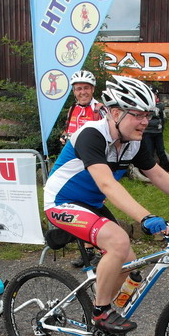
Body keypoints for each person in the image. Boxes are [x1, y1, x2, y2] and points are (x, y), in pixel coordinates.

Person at [44, 75, 169, 333]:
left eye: (148, 115)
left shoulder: (133, 142)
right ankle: (100, 312)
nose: (145, 121)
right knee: (118, 241)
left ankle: (97, 309)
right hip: (61, 202)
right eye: (138, 115)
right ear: (115, 113)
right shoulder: (91, 135)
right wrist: (145, 217)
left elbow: (157, 175)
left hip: (91, 204)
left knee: (128, 262)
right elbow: (107, 184)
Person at [59, 70, 107, 268]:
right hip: (74, 169)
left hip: (94, 166)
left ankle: (103, 250)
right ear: (73, 91)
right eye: (78, 89)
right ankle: (87, 253)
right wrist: (64, 138)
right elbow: (69, 131)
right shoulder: (72, 109)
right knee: (78, 210)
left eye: (86, 88)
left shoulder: (100, 109)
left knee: (94, 209)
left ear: (93, 89)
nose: (82, 92)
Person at [141, 85, 169, 174]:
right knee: (149, 151)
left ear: (157, 95)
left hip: (158, 132)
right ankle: (149, 172)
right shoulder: (144, 106)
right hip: (147, 132)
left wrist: (161, 129)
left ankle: (166, 169)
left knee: (161, 151)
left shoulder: (160, 106)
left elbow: (163, 119)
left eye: (153, 94)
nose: (152, 96)